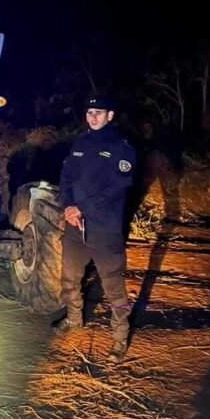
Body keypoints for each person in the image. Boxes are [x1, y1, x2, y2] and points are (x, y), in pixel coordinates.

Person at [56, 96, 137, 363]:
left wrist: (83, 208)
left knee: (114, 287)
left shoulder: (121, 148)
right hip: (75, 226)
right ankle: (74, 319)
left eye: (98, 112)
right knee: (69, 278)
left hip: (105, 228)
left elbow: (117, 187)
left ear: (110, 115)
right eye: (89, 112)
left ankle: (119, 338)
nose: (93, 117)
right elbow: (66, 178)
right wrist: (69, 206)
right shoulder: (80, 144)